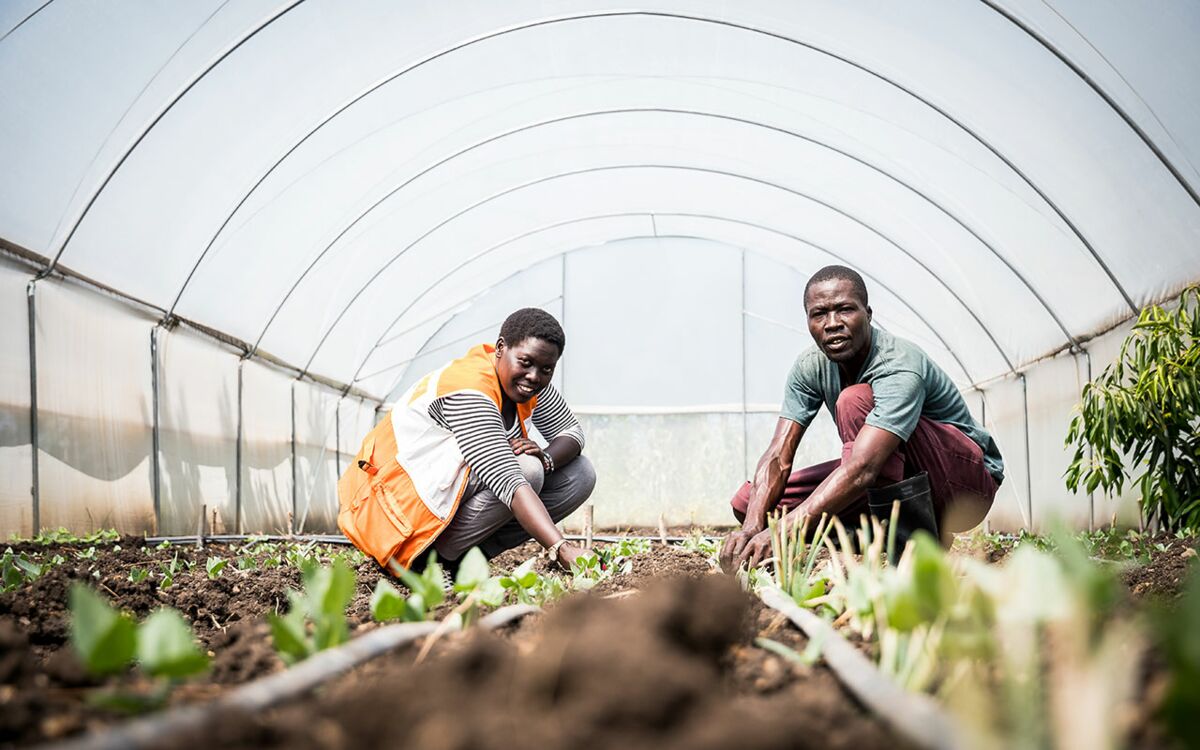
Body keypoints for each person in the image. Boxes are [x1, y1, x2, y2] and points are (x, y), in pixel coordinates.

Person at [720, 265, 1004, 571]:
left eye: (845, 310)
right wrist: (752, 526)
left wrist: (782, 532)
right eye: (819, 314)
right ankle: (890, 535)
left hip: (964, 486)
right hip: (888, 476)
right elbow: (779, 455)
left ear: (868, 314)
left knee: (854, 401)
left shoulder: (898, 363)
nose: (832, 324)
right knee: (751, 502)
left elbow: (862, 468)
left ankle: (913, 553)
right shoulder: (810, 366)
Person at [338, 308, 595, 575]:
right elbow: (505, 478)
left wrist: (548, 457)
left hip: (439, 497)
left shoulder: (527, 383)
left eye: (546, 369)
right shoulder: (468, 389)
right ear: (500, 348)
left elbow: (571, 431)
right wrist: (562, 549)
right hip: (393, 515)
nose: (534, 376)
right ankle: (424, 564)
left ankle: (457, 561)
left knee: (580, 474)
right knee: (527, 470)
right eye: (525, 362)